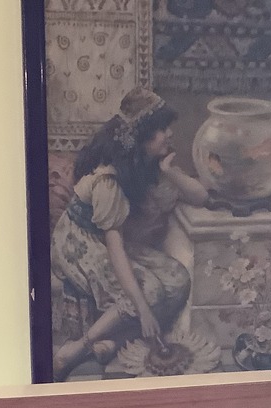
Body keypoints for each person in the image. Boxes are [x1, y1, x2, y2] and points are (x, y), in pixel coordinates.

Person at [50, 87, 209, 381]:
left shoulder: (147, 162)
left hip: (111, 239)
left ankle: (111, 344)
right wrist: (143, 310)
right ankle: (77, 349)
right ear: (141, 137)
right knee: (150, 291)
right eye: (161, 129)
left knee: (177, 278)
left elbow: (201, 197)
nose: (169, 134)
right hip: (79, 242)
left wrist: (170, 171)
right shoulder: (108, 179)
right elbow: (115, 249)